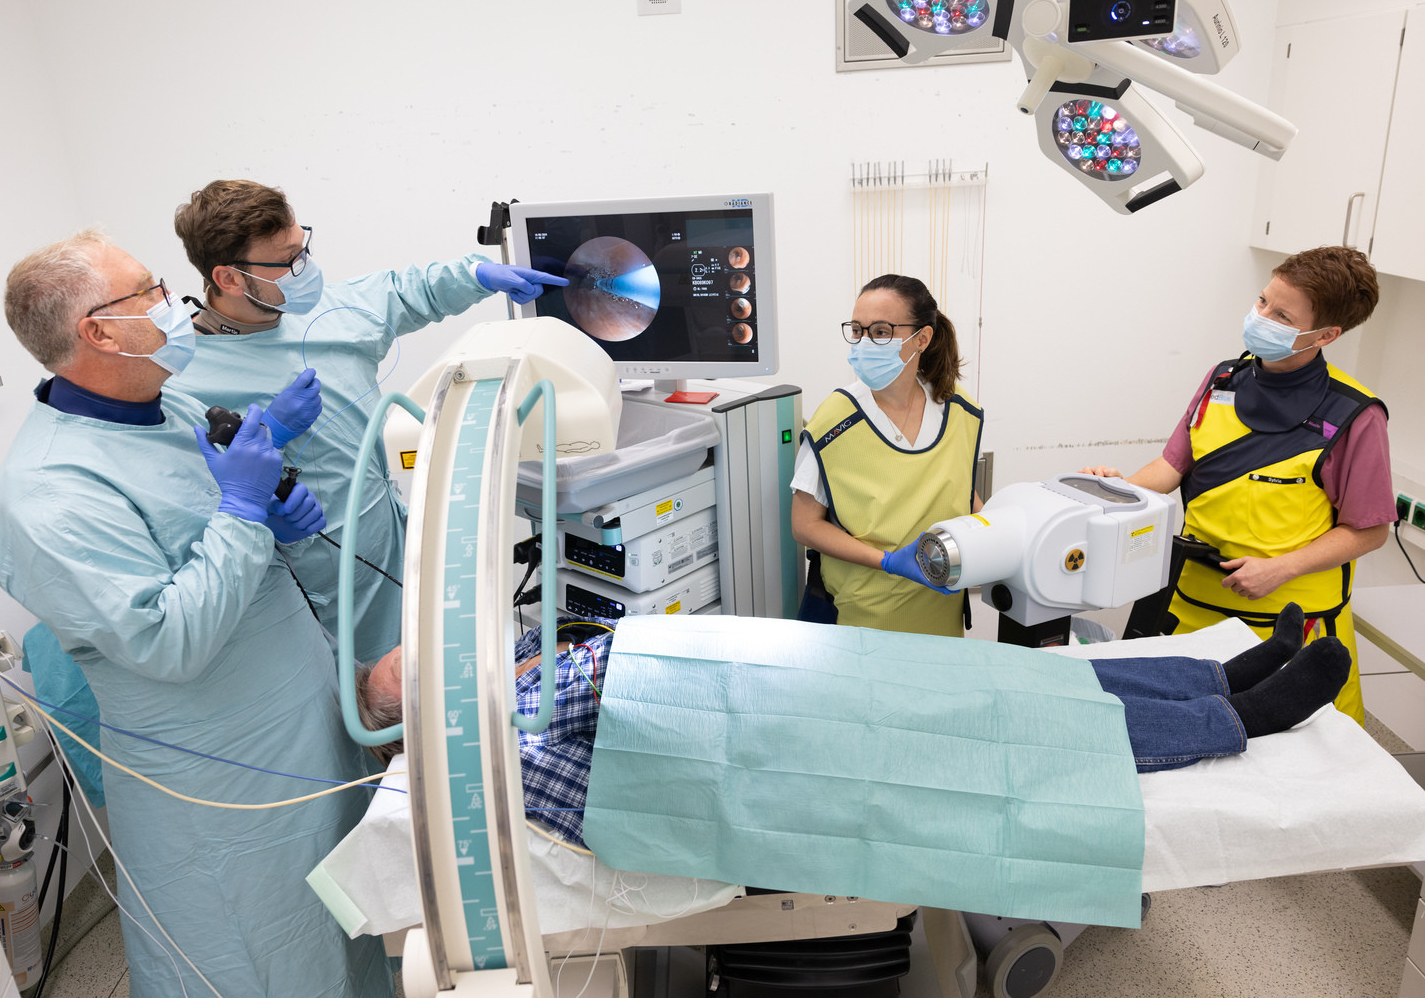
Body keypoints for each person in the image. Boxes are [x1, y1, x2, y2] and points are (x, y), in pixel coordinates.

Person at [0, 231, 390, 998]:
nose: (176, 304)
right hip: (222, 785)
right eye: (150, 292)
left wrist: (271, 504)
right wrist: (244, 513)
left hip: (300, 725)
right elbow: (170, 643)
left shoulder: (164, 400)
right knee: (261, 957)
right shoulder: (46, 494)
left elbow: (200, 526)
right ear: (98, 332)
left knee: (345, 931)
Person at [356, 606, 1350, 850]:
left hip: (792, 691)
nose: (487, 658)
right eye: (446, 669)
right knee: (1001, 724)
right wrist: (538, 673)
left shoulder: (516, 692)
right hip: (792, 755)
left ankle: (1211, 671)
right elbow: (611, 700)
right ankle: (1240, 716)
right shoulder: (504, 753)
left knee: (1003, 677)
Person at [171, 179, 568, 665]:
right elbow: (190, 496)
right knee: (367, 705)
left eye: (304, 248)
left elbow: (408, 290)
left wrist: (478, 274)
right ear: (229, 279)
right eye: (287, 260)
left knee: (437, 667)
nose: (305, 269)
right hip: (319, 581)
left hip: (395, 542)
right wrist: (272, 433)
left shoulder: (331, 312)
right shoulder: (186, 377)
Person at [1082, 247, 1394, 725]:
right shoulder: (1224, 378)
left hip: (1289, 624)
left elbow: (1369, 530)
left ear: (1327, 334)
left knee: (1289, 763)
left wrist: (1279, 568)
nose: (1261, 317)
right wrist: (1119, 490)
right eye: (1263, 301)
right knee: (1174, 734)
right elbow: (1171, 467)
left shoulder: (1354, 414)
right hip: (1190, 607)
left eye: (1282, 314)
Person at [791, 274, 984, 636]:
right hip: (863, 618)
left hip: (941, 610)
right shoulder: (835, 421)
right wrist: (889, 562)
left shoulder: (958, 410)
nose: (864, 343)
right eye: (858, 330)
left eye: (880, 332)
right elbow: (804, 525)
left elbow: (963, 493)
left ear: (922, 338)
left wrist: (999, 536)